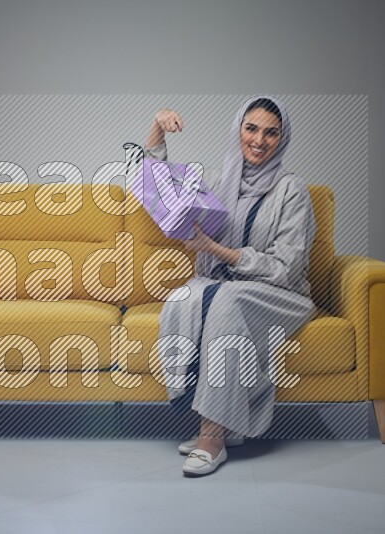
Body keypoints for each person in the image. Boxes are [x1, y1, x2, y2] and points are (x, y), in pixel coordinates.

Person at [143, 96, 317, 476]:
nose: (259, 140)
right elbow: (162, 187)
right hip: (226, 287)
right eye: (251, 128)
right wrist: (157, 126)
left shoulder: (292, 190)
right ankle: (225, 421)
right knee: (184, 296)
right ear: (238, 130)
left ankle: (212, 435)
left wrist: (217, 249)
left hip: (279, 295)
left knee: (225, 302)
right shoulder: (224, 182)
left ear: (282, 139)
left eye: (272, 133)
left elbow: (286, 268)